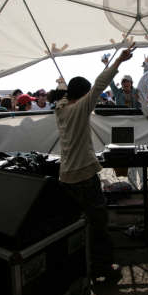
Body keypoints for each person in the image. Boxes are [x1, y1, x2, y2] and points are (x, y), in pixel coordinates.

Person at [55, 42, 136, 279]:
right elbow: (100, 84)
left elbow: (65, 92)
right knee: (98, 223)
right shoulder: (79, 108)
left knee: (73, 224)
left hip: (65, 176)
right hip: (83, 176)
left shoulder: (60, 108)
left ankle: (77, 267)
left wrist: (63, 85)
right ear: (83, 95)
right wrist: (119, 60)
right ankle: (102, 268)